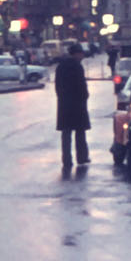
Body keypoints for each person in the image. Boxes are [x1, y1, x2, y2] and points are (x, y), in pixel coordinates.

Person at [53, 43, 90, 171]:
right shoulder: (77, 67)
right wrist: (84, 96)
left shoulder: (61, 66)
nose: (83, 55)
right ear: (77, 54)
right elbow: (81, 85)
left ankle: (67, 160)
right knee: (80, 132)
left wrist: (62, 97)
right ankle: (82, 157)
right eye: (81, 53)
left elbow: (57, 85)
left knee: (66, 133)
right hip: (78, 104)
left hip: (64, 104)